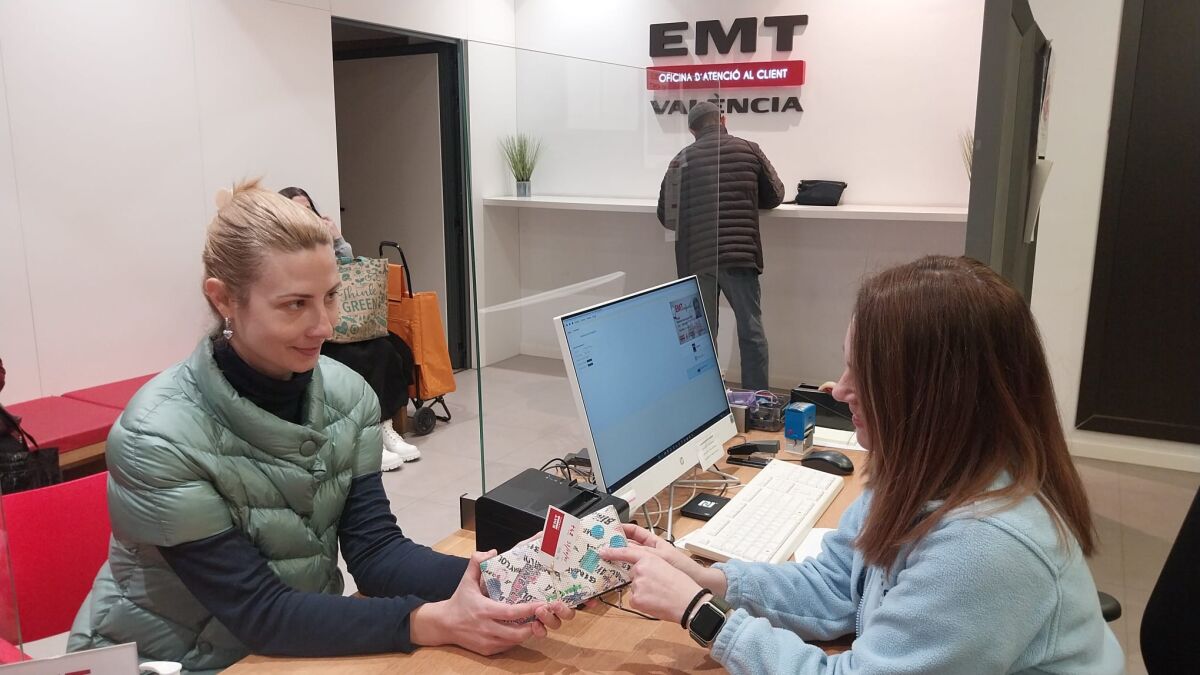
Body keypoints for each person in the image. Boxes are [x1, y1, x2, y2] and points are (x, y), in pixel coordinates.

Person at [67, 180, 575, 671]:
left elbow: (376, 553)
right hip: (172, 660)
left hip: (292, 645)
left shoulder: (345, 394)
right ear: (224, 299)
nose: (324, 326)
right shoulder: (158, 437)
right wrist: (434, 622)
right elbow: (260, 612)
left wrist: (513, 576)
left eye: (330, 296)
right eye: (295, 304)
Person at [601, 256, 1124, 673]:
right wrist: (709, 579)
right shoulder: (923, 469)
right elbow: (837, 585)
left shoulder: (983, 548)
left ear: (933, 396)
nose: (840, 388)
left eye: (864, 373)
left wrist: (701, 614)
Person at [280, 185, 419, 467]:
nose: (306, 217)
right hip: (317, 330)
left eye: (309, 210)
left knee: (385, 349)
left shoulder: (323, 244)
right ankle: (364, 438)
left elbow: (349, 271)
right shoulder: (282, 249)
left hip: (346, 325)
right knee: (350, 357)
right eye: (297, 211)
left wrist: (337, 239)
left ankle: (382, 426)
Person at [657, 101, 785, 391]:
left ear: (692, 131)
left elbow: (667, 216)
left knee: (702, 335)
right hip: (740, 255)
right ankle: (757, 399)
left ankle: (708, 398)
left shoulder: (680, 160)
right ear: (723, 120)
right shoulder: (749, 149)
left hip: (696, 259)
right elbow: (775, 195)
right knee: (751, 331)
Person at [279, 186, 353, 259]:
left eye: (308, 209)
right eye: (299, 209)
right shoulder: (279, 244)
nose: (305, 214)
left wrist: (338, 239)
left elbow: (348, 264)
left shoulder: (317, 241)